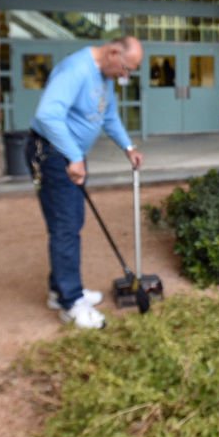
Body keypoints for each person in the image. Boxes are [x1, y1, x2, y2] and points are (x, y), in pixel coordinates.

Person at [27, 36, 145, 329]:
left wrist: (128, 147)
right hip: (55, 155)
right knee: (65, 226)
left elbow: (109, 116)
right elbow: (47, 114)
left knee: (71, 222)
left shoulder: (103, 77)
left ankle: (60, 291)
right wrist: (74, 157)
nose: (125, 75)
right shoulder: (76, 70)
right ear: (114, 52)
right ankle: (70, 303)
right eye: (126, 68)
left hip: (71, 155)